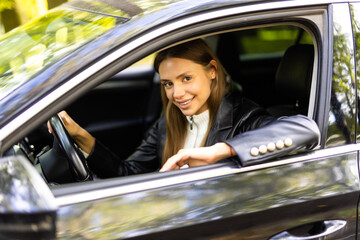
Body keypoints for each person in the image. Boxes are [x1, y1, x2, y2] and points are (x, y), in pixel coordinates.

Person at [50, 39, 320, 178]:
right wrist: (79, 136)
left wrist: (219, 151)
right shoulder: (168, 121)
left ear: (212, 72)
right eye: (168, 83)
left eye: (186, 79)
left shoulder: (243, 116)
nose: (176, 94)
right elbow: (129, 174)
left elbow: (305, 128)